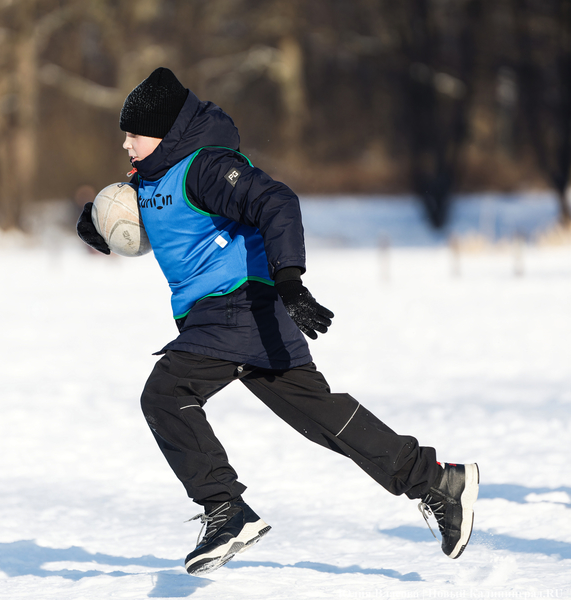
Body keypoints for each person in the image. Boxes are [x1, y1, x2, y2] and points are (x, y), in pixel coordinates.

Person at [76, 67, 478, 576]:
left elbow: (276, 201)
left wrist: (290, 281)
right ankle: (437, 482)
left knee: (165, 394)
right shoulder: (151, 177)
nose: (127, 146)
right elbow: (144, 217)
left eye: (134, 135)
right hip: (233, 317)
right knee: (320, 419)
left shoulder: (205, 167)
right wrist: (96, 226)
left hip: (237, 304)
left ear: (166, 133)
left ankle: (224, 508)